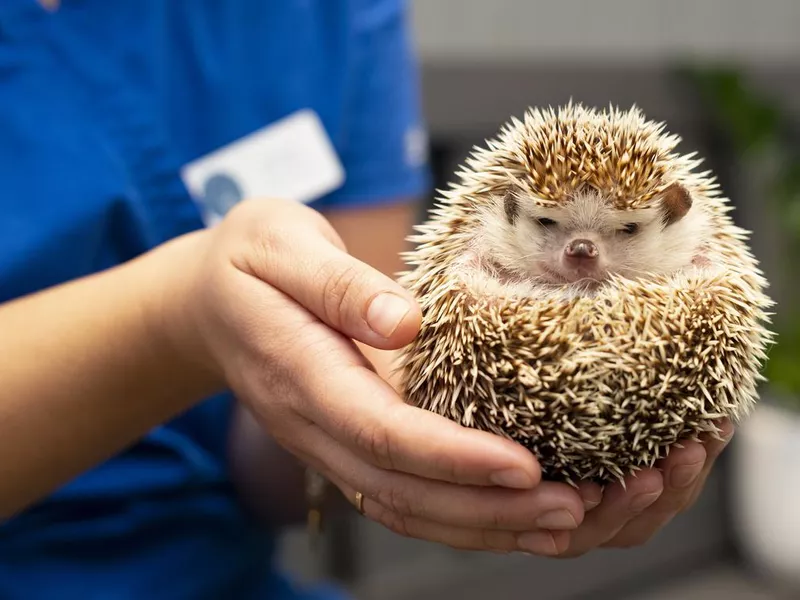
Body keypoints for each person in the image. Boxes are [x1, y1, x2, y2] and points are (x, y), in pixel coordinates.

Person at [0, 1, 733, 598]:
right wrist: (180, 317)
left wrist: (348, 438)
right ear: (508, 213)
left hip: (224, 572)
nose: (580, 253)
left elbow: (294, 458)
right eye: (549, 224)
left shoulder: (339, 14)